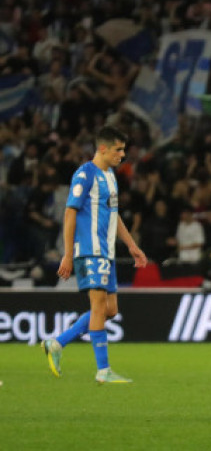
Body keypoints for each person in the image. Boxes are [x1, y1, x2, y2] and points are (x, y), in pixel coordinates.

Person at [41, 125, 148, 383]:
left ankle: (58, 342)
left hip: (107, 252)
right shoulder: (84, 174)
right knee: (99, 306)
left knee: (110, 310)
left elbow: (114, 215)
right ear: (102, 148)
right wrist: (68, 254)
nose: (122, 155)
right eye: (118, 149)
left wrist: (132, 246)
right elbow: (69, 213)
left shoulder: (110, 176)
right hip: (90, 251)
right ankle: (103, 371)